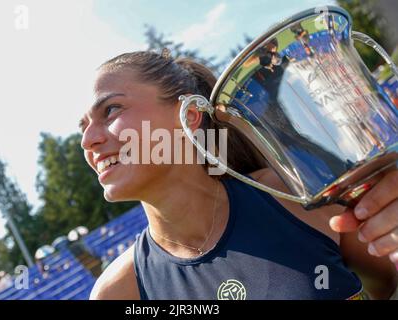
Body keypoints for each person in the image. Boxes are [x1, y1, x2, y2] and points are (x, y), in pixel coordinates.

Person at [79, 50, 398, 300]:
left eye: (110, 110)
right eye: (83, 128)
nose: (88, 141)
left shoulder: (293, 195)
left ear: (188, 116)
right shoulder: (118, 291)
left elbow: (387, 286)